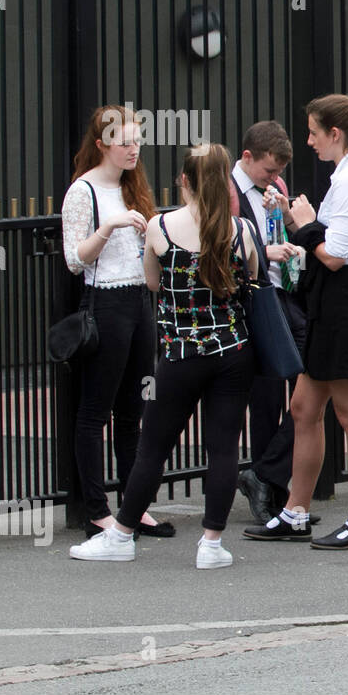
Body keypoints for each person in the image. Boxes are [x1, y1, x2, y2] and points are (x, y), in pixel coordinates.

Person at [69, 143, 261, 568]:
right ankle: (211, 544)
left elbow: (152, 284)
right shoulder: (242, 229)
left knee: (153, 446)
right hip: (234, 351)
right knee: (224, 447)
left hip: (180, 355)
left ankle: (120, 534)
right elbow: (252, 277)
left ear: (185, 180)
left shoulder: (162, 228)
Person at [243, 95, 348, 550]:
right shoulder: (347, 175)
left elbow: (332, 255)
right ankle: (295, 511)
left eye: (313, 132)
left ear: (336, 134)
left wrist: (305, 224)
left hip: (346, 302)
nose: (307, 140)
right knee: (303, 410)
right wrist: (297, 218)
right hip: (332, 304)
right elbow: (326, 245)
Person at [61, 104, 173, 540]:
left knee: (134, 410)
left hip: (137, 302)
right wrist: (110, 226)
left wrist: (149, 235)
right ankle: (96, 509)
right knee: (95, 412)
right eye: (125, 142)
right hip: (104, 302)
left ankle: (133, 506)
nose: (134, 150)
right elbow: (74, 259)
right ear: (102, 143)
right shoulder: (83, 192)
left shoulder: (132, 187)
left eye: (137, 142)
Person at [229, 121, 311, 524]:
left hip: (284, 296)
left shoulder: (273, 190)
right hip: (253, 299)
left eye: (279, 172)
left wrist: (286, 219)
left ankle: (265, 477)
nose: (275, 179)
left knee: (312, 386)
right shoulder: (227, 192)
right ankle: (271, 496)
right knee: (264, 399)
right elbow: (219, 245)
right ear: (246, 158)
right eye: (268, 171)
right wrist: (267, 249)